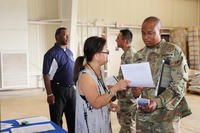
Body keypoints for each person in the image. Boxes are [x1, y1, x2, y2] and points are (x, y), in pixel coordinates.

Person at [131, 16, 192, 133]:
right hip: (143, 118)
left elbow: (179, 86)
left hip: (166, 118)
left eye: (150, 33)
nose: (145, 37)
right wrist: (134, 92)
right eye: (143, 33)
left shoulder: (173, 52)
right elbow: (132, 87)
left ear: (160, 31)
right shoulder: (138, 56)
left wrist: (157, 102)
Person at [73, 36, 130, 133]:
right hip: (90, 127)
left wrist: (108, 103)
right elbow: (96, 102)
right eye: (105, 51)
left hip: (101, 123)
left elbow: (99, 91)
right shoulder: (86, 76)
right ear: (96, 55)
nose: (108, 52)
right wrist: (116, 87)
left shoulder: (100, 70)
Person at [43, 27, 75, 133]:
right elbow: (46, 74)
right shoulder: (51, 54)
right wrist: (49, 94)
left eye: (68, 35)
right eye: (65, 35)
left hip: (71, 90)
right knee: (57, 120)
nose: (68, 37)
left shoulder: (70, 53)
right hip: (57, 90)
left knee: (73, 119)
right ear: (57, 36)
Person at [115, 29, 137, 133]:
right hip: (124, 98)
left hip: (128, 101)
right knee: (125, 126)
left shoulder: (130, 56)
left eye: (118, 38)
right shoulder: (126, 54)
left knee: (128, 127)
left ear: (124, 41)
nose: (116, 40)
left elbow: (133, 81)